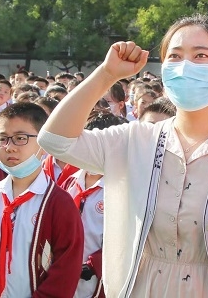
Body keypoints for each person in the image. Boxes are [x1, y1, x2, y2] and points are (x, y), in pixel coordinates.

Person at [38, 15, 208, 297]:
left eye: (201, 56)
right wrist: (107, 75)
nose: (185, 67)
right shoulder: (136, 139)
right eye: (175, 56)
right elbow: (55, 140)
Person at [0, 102, 84, 297]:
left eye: (20, 138)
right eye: (2, 139)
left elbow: (66, 269)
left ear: (43, 144)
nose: (9, 147)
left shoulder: (58, 203)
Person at [65, 111, 126, 298]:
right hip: (64, 271)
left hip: (98, 278)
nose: (91, 155)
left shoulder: (121, 188)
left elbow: (124, 238)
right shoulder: (70, 182)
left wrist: (93, 264)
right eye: (87, 148)